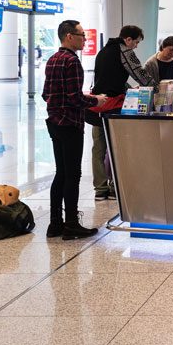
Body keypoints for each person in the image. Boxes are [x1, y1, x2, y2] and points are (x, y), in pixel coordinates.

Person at [42, 20, 106, 239]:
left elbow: (45, 94)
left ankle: (54, 224)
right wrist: (96, 100)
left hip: (54, 122)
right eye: (81, 35)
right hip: (70, 124)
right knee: (73, 175)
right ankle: (71, 224)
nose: (84, 39)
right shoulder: (72, 61)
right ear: (69, 36)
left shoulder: (52, 60)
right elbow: (74, 98)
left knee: (61, 173)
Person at [87, 25, 156, 201]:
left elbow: (106, 79)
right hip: (113, 107)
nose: (136, 47)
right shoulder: (125, 51)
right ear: (128, 39)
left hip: (97, 104)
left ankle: (100, 189)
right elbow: (138, 72)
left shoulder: (103, 51)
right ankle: (114, 187)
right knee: (116, 146)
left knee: (98, 148)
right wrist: (155, 87)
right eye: (137, 42)